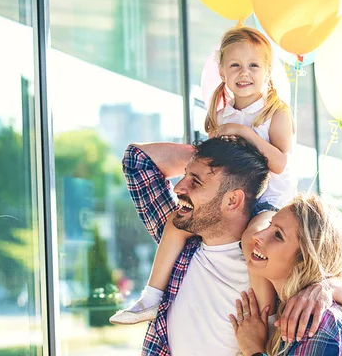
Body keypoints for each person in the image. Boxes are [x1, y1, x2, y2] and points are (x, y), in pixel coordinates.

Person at [120, 138, 342, 355]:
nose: (179, 187)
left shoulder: (275, 267)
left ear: (232, 201)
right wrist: (230, 149)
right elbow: (138, 161)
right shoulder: (180, 243)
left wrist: (327, 288)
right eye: (185, 175)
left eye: (196, 181)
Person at [111, 26, 296, 325]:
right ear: (222, 71)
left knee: (254, 238)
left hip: (267, 202)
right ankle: (151, 297)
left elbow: (280, 163)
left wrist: (244, 134)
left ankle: (268, 315)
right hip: (229, 199)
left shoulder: (275, 113)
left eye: (253, 65)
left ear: (268, 72)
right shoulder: (222, 114)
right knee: (176, 225)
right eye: (235, 65)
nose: (244, 72)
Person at [231, 193, 342, 355]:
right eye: (270, 224)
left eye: (278, 235)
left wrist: (253, 350)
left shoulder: (320, 326)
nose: (258, 236)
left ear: (304, 261)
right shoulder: (290, 310)